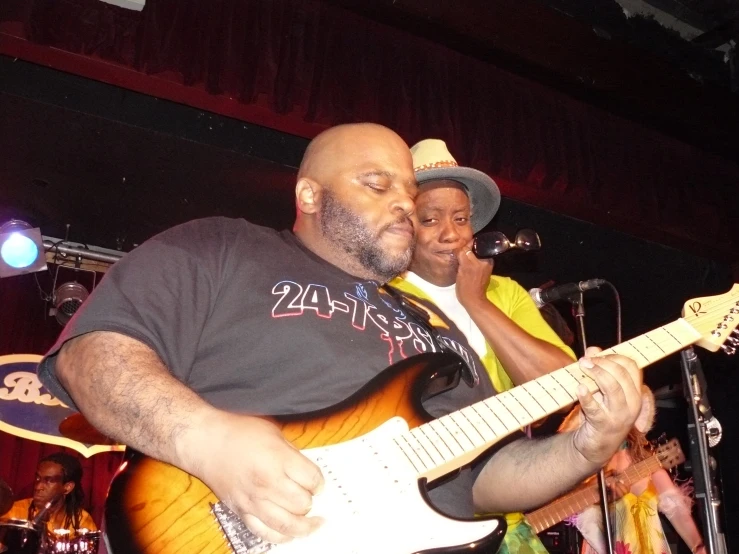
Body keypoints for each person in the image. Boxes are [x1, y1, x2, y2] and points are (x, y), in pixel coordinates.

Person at [37, 122, 644, 548]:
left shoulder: (439, 332)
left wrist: (589, 444)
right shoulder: (223, 246)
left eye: (409, 191)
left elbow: (486, 482)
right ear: (309, 194)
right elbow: (93, 356)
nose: (405, 204)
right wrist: (208, 441)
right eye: (378, 186)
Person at [389, 138, 576, 553]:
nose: (451, 234)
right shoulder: (381, 294)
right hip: (411, 514)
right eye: (430, 219)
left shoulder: (504, 293)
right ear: (405, 225)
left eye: (461, 218)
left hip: (501, 516)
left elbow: (563, 389)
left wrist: (476, 301)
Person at [561, 388, 706, 554]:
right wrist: (598, 488)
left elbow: (676, 510)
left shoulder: (648, 465)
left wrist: (697, 546)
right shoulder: (591, 470)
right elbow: (569, 505)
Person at [1, 452, 96, 536]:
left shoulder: (81, 521)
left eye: (49, 481)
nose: (38, 487)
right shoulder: (14, 511)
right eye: (38, 478)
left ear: (67, 487)